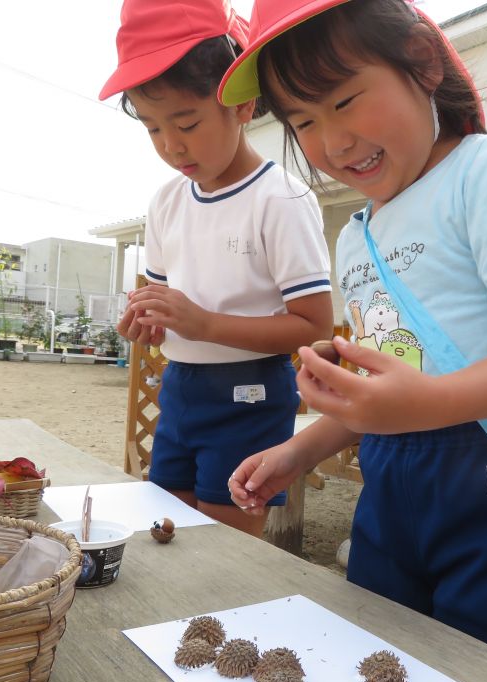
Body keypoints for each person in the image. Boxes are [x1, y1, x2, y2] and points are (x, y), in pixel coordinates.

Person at [222, 0, 487, 676]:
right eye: (303, 121)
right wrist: (301, 449)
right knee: (378, 663)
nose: (331, 143)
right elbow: (383, 393)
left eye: (344, 100)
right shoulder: (354, 234)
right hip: (393, 486)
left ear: (423, 62)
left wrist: (417, 407)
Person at [101, 0, 334, 536]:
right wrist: (146, 322)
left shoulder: (280, 200)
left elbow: (313, 327)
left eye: (187, 122)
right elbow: (167, 319)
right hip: (180, 388)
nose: (171, 145)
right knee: (165, 533)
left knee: (222, 550)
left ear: (243, 104)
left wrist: (203, 324)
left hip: (250, 395)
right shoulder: (167, 202)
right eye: (154, 129)